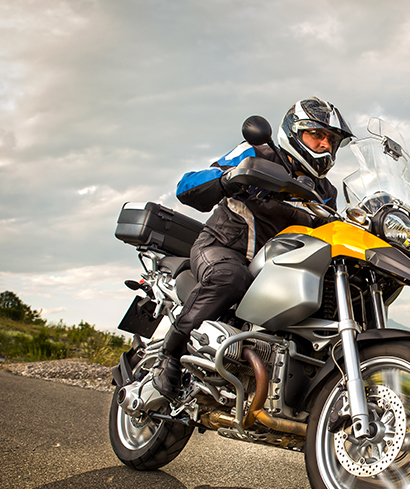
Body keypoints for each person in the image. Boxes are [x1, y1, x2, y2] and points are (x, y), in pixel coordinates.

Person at [152, 97, 354, 402]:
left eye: (332, 140)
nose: (325, 144)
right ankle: (170, 355)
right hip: (222, 247)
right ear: (295, 133)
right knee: (230, 277)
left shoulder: (326, 192)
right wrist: (230, 178)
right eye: (318, 134)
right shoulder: (258, 154)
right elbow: (187, 185)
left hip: (275, 269)